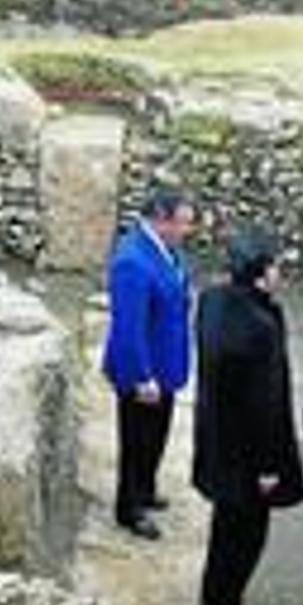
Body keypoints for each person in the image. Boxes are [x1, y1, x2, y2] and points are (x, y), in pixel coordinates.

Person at [192, 228, 303, 605]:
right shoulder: (259, 325)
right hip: (247, 457)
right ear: (261, 273)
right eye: (275, 265)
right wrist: (269, 466)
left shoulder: (212, 301)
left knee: (223, 533)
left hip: (217, 441)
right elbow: (266, 405)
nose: (280, 272)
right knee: (243, 540)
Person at [101, 186, 197, 540]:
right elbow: (129, 326)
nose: (189, 230)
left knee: (156, 434)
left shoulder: (164, 251)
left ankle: (146, 488)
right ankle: (130, 507)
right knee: (136, 440)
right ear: (161, 220)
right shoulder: (132, 261)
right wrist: (141, 377)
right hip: (144, 371)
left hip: (165, 365)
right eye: (183, 223)